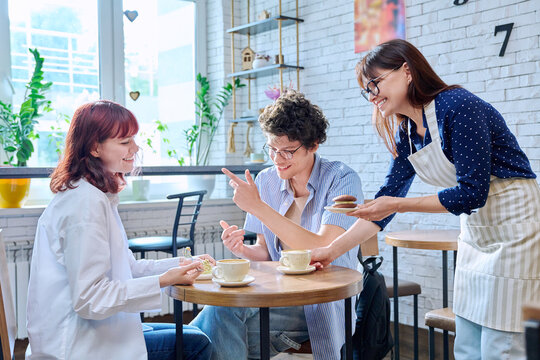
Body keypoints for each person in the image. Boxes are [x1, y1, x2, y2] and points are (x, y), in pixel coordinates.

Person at [311, 39, 539, 359]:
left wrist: (396, 204)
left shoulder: (457, 107)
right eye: (367, 89)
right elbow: (383, 208)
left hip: (515, 224)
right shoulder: (407, 133)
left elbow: (472, 192)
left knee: (502, 344)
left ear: (406, 71)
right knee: (468, 341)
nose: (372, 95)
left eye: (375, 83)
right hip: (477, 231)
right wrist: (329, 251)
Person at [26, 100, 214, 360]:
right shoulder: (85, 203)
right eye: (125, 142)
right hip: (78, 347)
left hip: (93, 332)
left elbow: (128, 269)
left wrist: (182, 264)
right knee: (198, 343)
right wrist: (164, 280)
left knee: (194, 334)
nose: (135, 148)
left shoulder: (93, 195)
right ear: (94, 147)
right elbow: (90, 299)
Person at [190, 90, 362, 360]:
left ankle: (169, 345)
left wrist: (257, 207)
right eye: (272, 148)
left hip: (318, 302)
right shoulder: (267, 180)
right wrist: (242, 250)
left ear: (314, 144)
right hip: (275, 292)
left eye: (288, 151)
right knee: (216, 319)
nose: (277, 159)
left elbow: (324, 247)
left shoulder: (341, 179)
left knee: (208, 333)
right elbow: (267, 253)